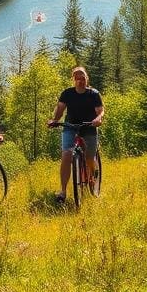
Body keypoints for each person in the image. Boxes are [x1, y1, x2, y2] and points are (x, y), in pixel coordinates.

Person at [47, 66, 104, 202]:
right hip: (70, 127)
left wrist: (98, 119)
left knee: (89, 157)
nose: (80, 81)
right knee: (66, 155)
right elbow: (60, 108)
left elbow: (100, 110)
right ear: (73, 80)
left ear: (86, 79)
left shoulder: (94, 94)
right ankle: (63, 191)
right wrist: (55, 120)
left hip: (89, 127)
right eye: (77, 78)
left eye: (82, 78)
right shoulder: (67, 93)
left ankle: (92, 175)